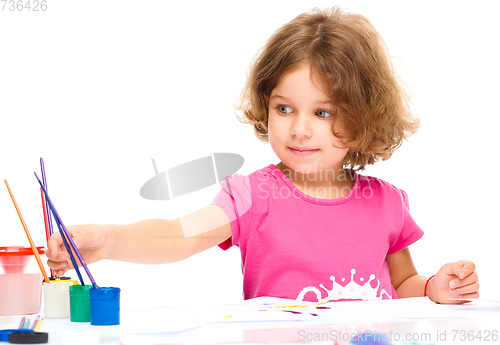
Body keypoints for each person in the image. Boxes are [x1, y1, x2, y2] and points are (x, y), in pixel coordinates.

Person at [47, 6, 479, 304]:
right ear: (265, 104)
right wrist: (111, 239)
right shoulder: (250, 195)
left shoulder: (386, 202)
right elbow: (181, 234)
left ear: (364, 116)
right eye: (284, 107)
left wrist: (433, 288)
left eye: (323, 112)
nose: (300, 128)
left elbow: (403, 281)